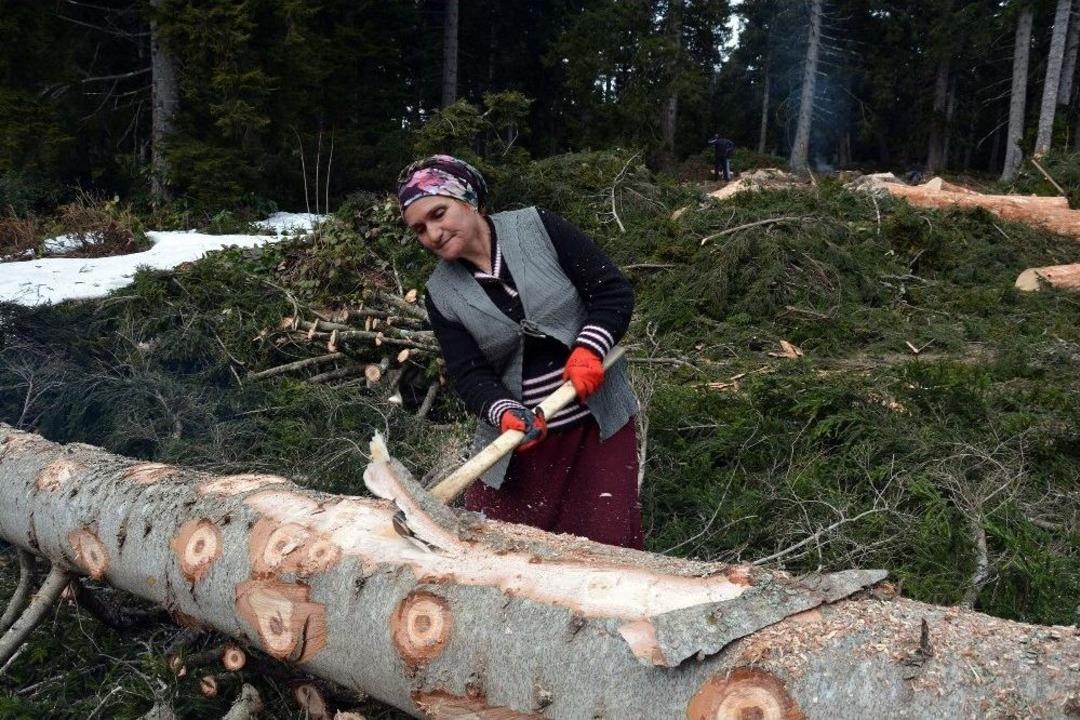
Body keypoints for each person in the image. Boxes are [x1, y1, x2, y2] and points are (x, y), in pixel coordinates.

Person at [397, 155, 643, 549]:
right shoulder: (441, 293)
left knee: (604, 549)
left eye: (438, 214)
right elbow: (469, 373)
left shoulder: (537, 228)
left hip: (598, 429)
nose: (433, 234)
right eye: (420, 229)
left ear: (468, 200)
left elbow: (611, 292)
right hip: (518, 447)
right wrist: (504, 412)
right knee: (498, 552)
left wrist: (589, 347)